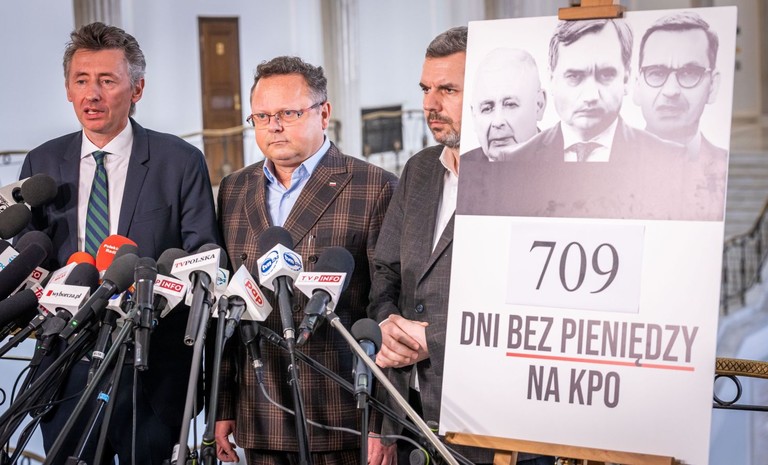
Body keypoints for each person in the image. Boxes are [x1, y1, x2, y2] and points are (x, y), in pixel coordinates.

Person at [18, 22, 220, 464]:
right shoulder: (42, 163)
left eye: (107, 81)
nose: (92, 94)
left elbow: (203, 258)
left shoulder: (179, 161)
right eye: (81, 80)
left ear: (137, 89)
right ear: (68, 89)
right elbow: (30, 258)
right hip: (64, 368)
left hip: (150, 372)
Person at [367, 27, 553, 465]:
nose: (430, 104)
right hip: (413, 416)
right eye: (425, 89)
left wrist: (434, 339)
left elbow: (540, 307)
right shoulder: (419, 170)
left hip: (499, 427)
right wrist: (387, 324)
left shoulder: (543, 180)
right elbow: (386, 272)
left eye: (448, 90)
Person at [214, 56, 397, 465]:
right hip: (259, 411)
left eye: (289, 113)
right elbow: (229, 306)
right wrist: (223, 404)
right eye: (262, 116)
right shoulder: (234, 189)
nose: (274, 126)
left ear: (324, 113)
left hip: (341, 414)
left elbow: (385, 309)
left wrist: (383, 422)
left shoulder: (374, 188)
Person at [460, 18, 688, 220]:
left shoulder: (669, 160)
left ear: (627, 78)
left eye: (606, 74)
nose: (590, 95)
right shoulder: (508, 161)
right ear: (553, 79)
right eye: (574, 76)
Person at [633, 11, 727, 220]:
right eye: (656, 73)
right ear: (637, 86)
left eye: (689, 73)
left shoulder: (725, 168)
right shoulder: (605, 169)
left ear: (712, 86)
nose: (671, 91)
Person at [462, 48, 546, 162]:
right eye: (487, 109)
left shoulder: (564, 162)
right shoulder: (462, 166)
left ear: (539, 105)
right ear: (474, 115)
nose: (497, 122)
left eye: (510, 105)